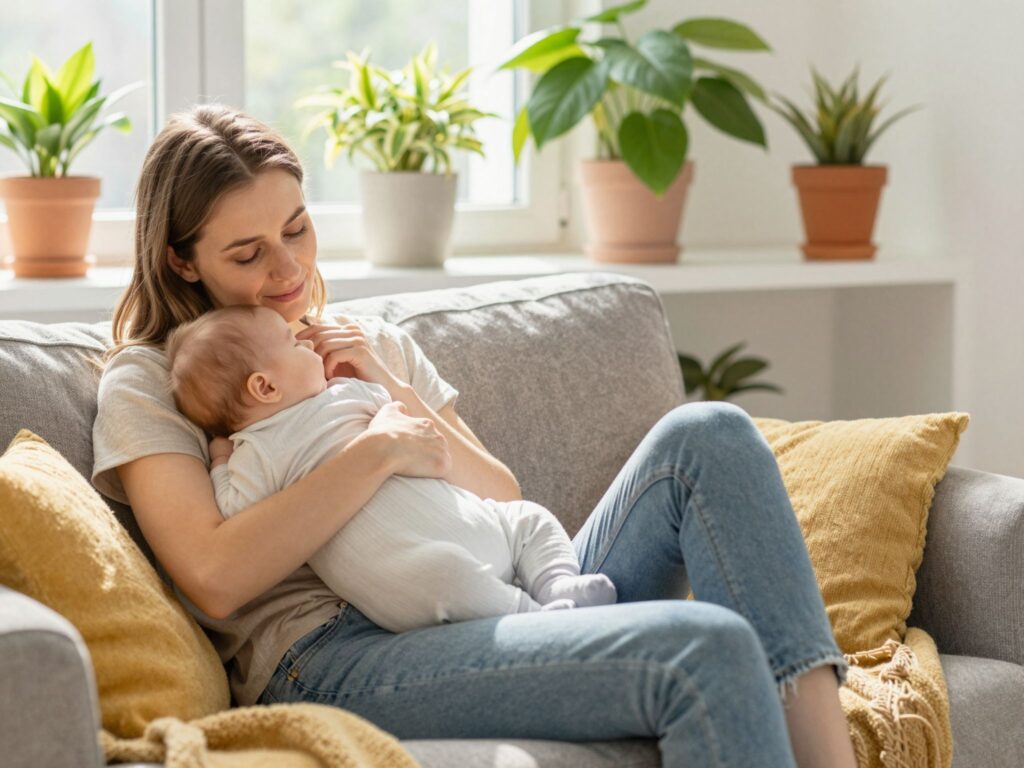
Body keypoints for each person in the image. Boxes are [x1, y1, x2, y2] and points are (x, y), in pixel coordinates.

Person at [92, 104, 857, 767]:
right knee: (704, 646)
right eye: (248, 253)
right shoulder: (151, 380)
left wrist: (386, 388)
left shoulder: (367, 344)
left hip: (503, 584)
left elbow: (498, 489)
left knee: (710, 433)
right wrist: (375, 451)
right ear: (181, 260)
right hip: (334, 653)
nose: (288, 268)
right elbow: (214, 576)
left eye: (297, 228)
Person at [164, 304, 618, 632]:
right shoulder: (257, 451)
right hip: (419, 574)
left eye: (296, 229)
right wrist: (221, 461)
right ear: (265, 387)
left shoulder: (350, 388)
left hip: (479, 524)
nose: (306, 343)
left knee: (528, 518)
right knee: (448, 578)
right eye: (294, 344)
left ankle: (559, 584)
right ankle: (534, 620)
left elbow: (441, 453)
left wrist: (385, 380)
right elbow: (234, 513)